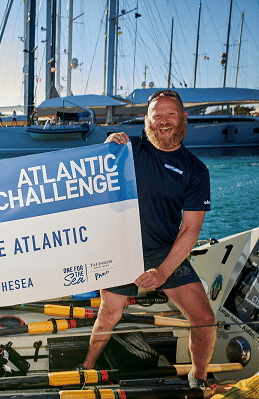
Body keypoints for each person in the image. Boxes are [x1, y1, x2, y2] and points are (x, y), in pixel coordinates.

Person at [80, 90, 216, 389]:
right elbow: (87, 179)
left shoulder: (195, 169)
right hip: (120, 248)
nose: (164, 121)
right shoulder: (127, 149)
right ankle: (86, 368)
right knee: (108, 315)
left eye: (171, 114)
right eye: (157, 114)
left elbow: (190, 230)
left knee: (205, 319)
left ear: (183, 118)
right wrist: (103, 153)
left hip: (163, 252)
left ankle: (199, 379)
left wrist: (164, 271)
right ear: (147, 121)